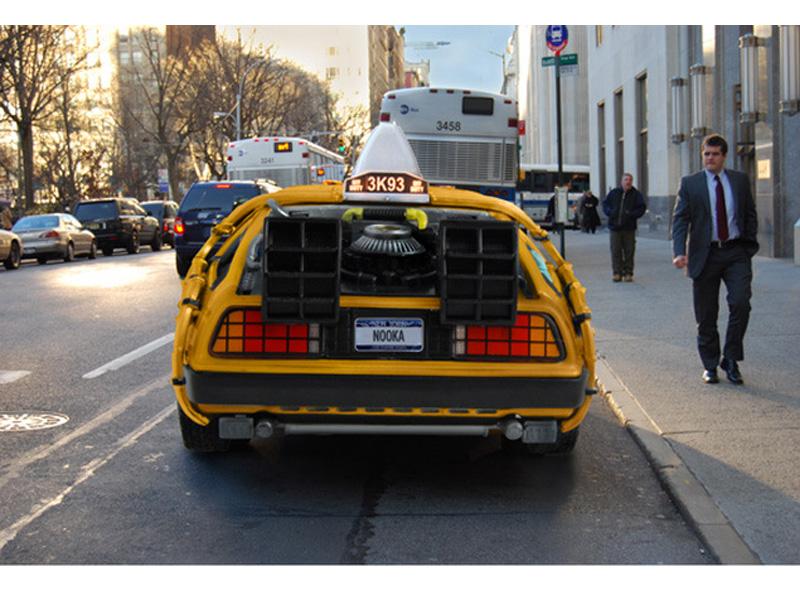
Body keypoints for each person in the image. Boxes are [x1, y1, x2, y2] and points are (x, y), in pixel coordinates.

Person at [672, 133, 759, 385]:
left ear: (724, 156)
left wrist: (748, 247)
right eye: (706, 154)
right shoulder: (691, 183)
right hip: (705, 255)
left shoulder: (740, 181)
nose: (709, 158)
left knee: (741, 303)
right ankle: (710, 364)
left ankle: (730, 359)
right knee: (706, 315)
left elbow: (749, 214)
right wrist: (679, 251)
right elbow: (680, 220)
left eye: (715, 154)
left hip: (735, 253)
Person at [602, 173, 646, 282]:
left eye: (630, 180)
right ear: (622, 181)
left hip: (629, 228)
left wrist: (631, 214)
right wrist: (610, 213)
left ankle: (628, 273)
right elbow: (605, 204)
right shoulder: (614, 193)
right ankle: (617, 273)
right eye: (626, 179)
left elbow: (641, 208)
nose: (628, 182)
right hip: (615, 228)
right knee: (615, 251)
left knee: (629, 251)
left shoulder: (636, 194)